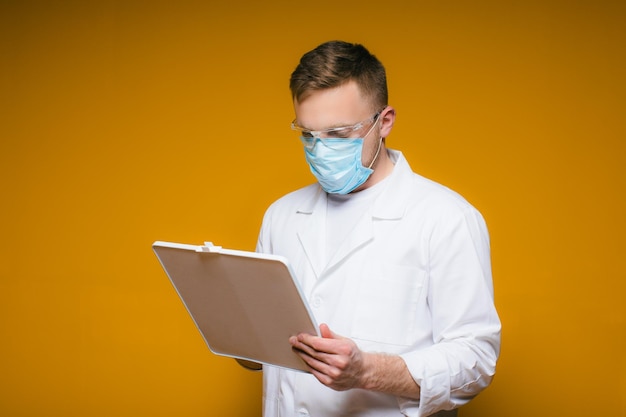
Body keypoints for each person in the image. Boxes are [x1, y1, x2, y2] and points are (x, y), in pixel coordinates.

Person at [254, 40, 501, 417]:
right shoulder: (281, 215)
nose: (320, 151)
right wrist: (236, 332)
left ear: (384, 122)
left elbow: (476, 359)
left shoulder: (446, 218)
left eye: (338, 135)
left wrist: (367, 370)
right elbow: (258, 350)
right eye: (308, 135)